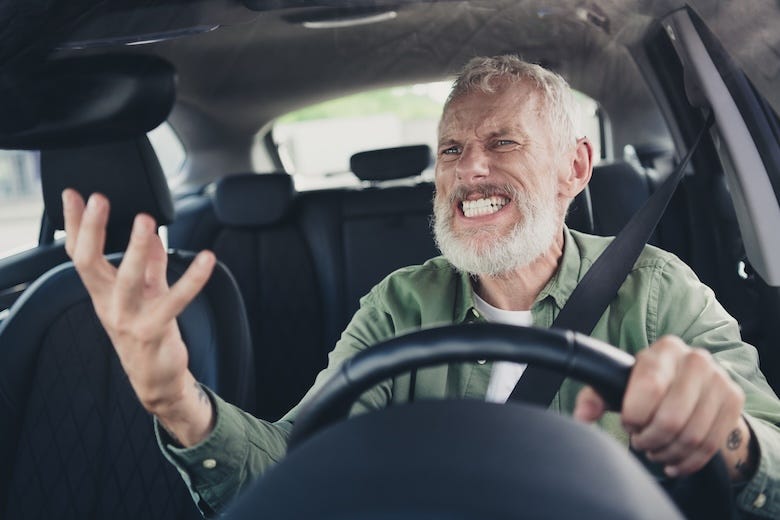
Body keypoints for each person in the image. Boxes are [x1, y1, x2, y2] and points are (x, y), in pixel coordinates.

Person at [62, 55, 780, 517]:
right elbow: (296, 472)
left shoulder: (658, 291)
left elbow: (769, 458)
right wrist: (178, 404)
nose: (470, 172)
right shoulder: (400, 305)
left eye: (503, 143)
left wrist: (731, 438)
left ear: (576, 168)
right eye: (452, 150)